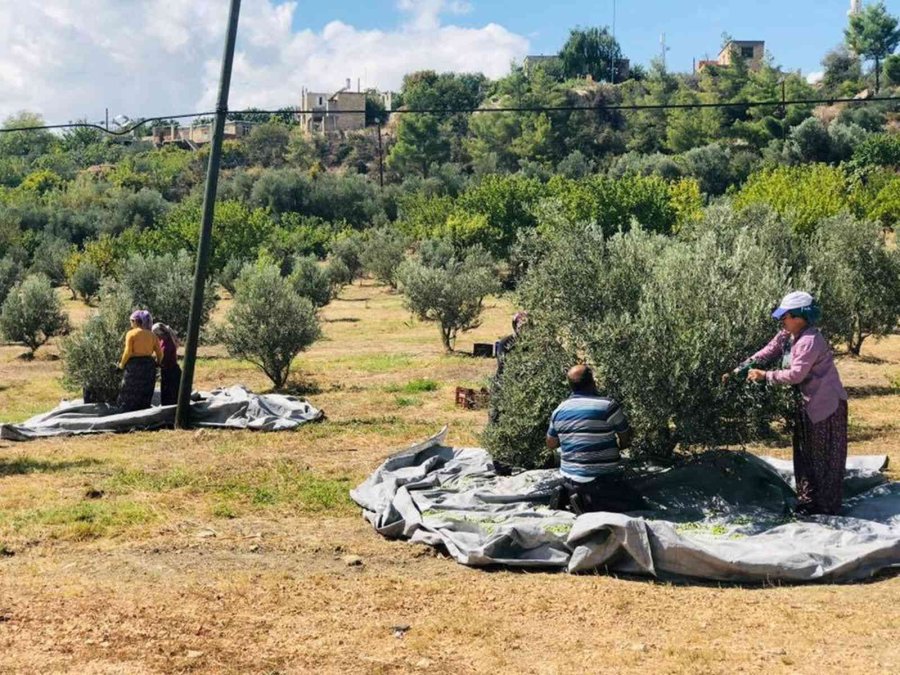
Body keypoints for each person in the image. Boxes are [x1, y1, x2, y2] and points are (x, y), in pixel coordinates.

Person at [728, 291, 848, 515]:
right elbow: (769, 351)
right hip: (807, 405)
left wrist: (765, 375)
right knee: (805, 455)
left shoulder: (810, 341)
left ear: (800, 317)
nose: (782, 320)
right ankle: (808, 503)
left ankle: (826, 508)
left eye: (786, 316)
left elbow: (796, 375)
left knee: (823, 459)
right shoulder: (787, 335)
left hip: (825, 406)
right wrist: (741, 367)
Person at [546, 365, 644, 514]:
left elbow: (551, 444)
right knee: (637, 503)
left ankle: (571, 495)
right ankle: (588, 503)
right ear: (593, 383)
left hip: (570, 479)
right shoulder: (608, 406)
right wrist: (618, 447)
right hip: (602, 480)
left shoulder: (559, 410)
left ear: (571, 386)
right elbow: (625, 438)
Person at [117, 310, 163, 412]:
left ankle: (127, 412)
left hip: (134, 365)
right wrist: (158, 363)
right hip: (148, 366)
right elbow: (160, 353)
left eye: (131, 321)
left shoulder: (131, 334)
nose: (130, 323)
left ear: (135, 321)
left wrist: (121, 365)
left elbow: (128, 352)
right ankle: (144, 412)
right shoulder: (153, 336)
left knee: (129, 390)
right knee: (145, 390)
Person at [152, 322, 181, 406]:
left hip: (171, 373)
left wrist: (155, 363)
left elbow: (164, 359)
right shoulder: (164, 341)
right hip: (169, 372)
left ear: (159, 334)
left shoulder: (167, 344)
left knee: (170, 398)